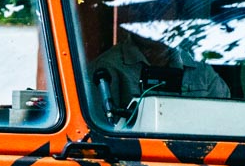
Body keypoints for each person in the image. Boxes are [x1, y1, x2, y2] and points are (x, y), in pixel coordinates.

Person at [88, 30, 229, 121]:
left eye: (161, 6)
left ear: (175, 13)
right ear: (130, 11)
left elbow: (225, 121)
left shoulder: (200, 69)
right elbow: (101, 133)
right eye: (143, 4)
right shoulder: (106, 68)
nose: (151, 12)